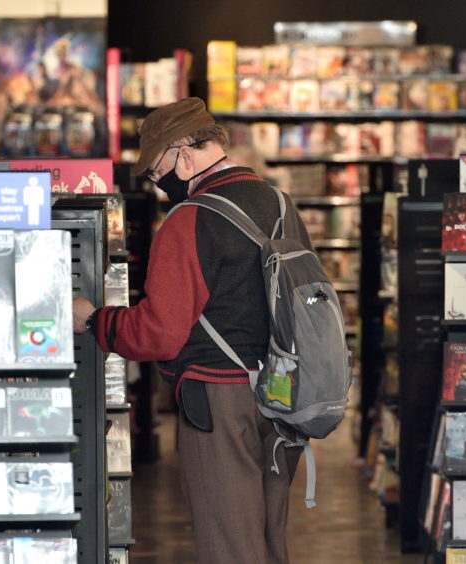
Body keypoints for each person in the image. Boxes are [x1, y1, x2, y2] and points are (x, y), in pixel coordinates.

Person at [72, 97, 313, 564]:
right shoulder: (280, 203)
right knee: (268, 539)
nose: (156, 181)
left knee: (229, 543)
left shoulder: (188, 219)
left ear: (183, 154)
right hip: (285, 392)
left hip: (219, 400)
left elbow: (158, 333)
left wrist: (93, 319)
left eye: (155, 167)